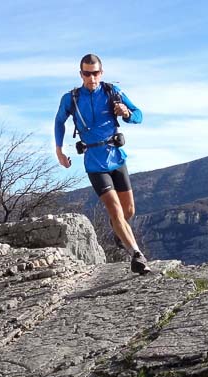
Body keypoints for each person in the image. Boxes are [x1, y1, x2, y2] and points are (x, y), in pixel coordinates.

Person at [55, 53, 150, 275]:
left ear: (101, 73)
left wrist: (126, 114)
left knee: (128, 210)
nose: (92, 78)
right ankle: (137, 254)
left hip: (116, 157)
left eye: (95, 73)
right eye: (87, 74)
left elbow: (139, 115)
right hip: (94, 162)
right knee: (115, 211)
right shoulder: (71, 99)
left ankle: (119, 231)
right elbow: (59, 121)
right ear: (81, 74)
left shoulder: (111, 92)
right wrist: (59, 150)